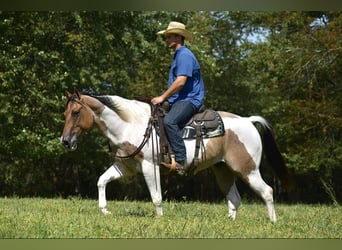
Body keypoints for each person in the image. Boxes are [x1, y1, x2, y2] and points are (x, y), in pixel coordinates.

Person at [151, 21, 205, 174]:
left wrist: (162, 97)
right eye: (166, 37)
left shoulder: (185, 55)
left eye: (169, 37)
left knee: (169, 121)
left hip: (190, 99)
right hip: (179, 99)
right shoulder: (178, 55)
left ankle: (180, 161)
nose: (166, 40)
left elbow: (180, 82)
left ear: (179, 37)